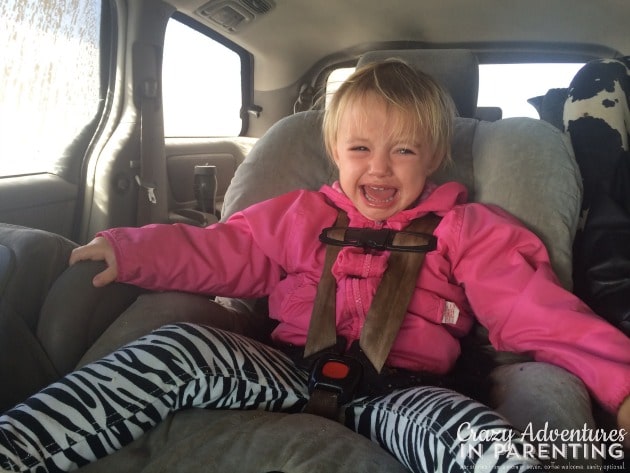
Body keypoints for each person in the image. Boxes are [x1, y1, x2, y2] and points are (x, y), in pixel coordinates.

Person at [1, 60, 630, 473]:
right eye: (360, 149)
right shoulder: (301, 216)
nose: (379, 168)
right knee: (175, 345)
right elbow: (218, 250)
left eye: (403, 150)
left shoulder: (467, 229)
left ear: (433, 156)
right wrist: (130, 248)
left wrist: (621, 386)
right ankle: (19, 450)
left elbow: (538, 314)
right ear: (335, 152)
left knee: (487, 445)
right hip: (287, 369)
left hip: (404, 391)